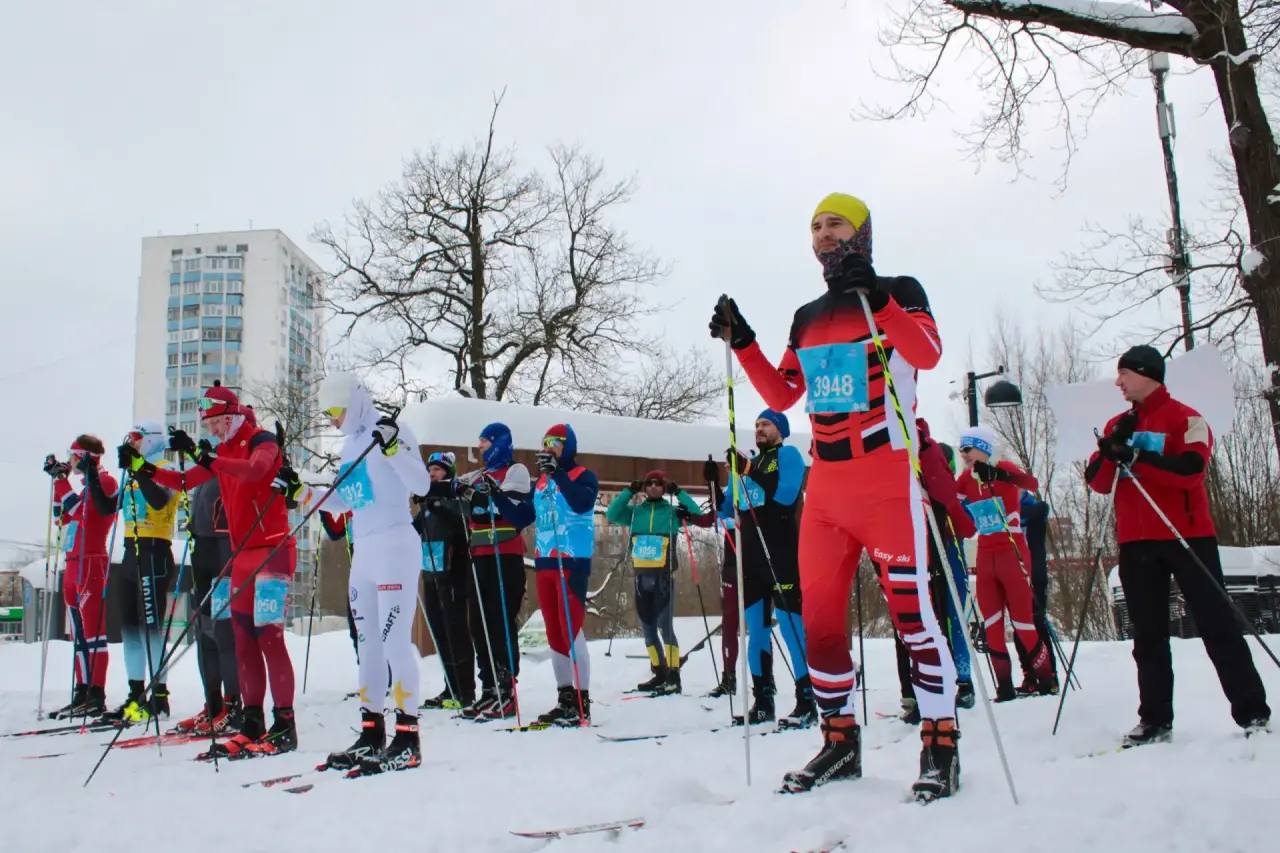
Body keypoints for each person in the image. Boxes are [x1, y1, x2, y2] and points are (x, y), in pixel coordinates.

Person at [711, 192, 959, 799]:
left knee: (911, 615)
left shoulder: (899, 287)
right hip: (827, 487)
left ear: (862, 231)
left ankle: (940, 743)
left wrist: (878, 297)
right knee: (820, 619)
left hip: (885, 474)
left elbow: (927, 352)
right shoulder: (807, 314)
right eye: (815, 226)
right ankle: (839, 741)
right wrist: (743, 341)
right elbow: (784, 391)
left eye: (835, 223)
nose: (824, 233)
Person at [1087, 344, 1270, 745]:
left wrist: (1137, 458)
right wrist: (1109, 450)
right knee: (1147, 634)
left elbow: (1191, 471)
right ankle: (1155, 718)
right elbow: (1099, 483)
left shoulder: (1186, 418)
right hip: (1136, 542)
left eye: (1125, 375)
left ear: (1147, 373)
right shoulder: (1118, 421)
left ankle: (1251, 710)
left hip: (1185, 535)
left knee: (1216, 625)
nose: (1118, 382)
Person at [283, 372, 430, 773]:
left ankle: (408, 737)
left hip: (395, 544)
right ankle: (371, 731)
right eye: (327, 412)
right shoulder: (350, 448)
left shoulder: (394, 430)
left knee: (395, 642)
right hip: (363, 550)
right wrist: (301, 493)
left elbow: (422, 483)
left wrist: (395, 447)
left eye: (336, 410)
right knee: (368, 645)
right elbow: (344, 499)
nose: (331, 419)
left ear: (356, 402)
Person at [150, 382, 298, 758]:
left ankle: (285, 724)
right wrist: (143, 468)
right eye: (208, 426)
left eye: (216, 424)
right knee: (243, 636)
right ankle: (251, 722)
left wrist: (207, 459)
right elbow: (183, 482)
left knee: (269, 636)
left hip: (273, 551)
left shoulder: (261, 440)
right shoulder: (223, 450)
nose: (212, 432)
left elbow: (255, 471)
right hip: (241, 554)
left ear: (231, 417)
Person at [689, 410, 813, 727]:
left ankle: (807, 699)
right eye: (756, 424)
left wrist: (748, 473)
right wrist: (716, 484)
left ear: (780, 430)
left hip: (781, 552)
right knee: (756, 630)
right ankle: (763, 701)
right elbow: (727, 510)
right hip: (750, 556)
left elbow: (784, 498)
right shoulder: (745, 465)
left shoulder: (788, 455)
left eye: (766, 424)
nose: (759, 428)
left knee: (789, 626)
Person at [955, 425, 1056, 701]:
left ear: (984, 450)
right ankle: (1004, 688)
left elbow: (1031, 484)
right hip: (986, 554)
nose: (964, 454)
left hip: (1012, 551)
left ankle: (1047, 681)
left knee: (1023, 624)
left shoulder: (1004, 467)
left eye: (969, 449)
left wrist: (998, 474)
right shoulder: (966, 478)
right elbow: (951, 502)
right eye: (961, 449)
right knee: (992, 624)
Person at [894, 420, 976, 722]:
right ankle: (914, 694)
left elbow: (964, 522)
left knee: (950, 618)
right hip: (910, 554)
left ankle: (960, 681)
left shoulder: (937, 466)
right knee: (910, 623)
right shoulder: (898, 461)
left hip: (943, 553)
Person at [452, 422, 532, 720]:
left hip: (505, 554)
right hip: (480, 554)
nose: (481, 447)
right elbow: (460, 489)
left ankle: (506, 686)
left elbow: (506, 507)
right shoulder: (479, 475)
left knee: (500, 620)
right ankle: (489, 687)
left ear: (499, 442)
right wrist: (462, 491)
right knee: (478, 623)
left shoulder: (516, 470)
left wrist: (483, 495)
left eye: (485, 442)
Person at [606, 469, 701, 695]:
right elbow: (611, 513)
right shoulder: (635, 512)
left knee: (665, 628)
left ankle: (673, 676)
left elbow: (696, 513)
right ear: (644, 487)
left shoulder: (671, 513)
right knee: (648, 630)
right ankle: (659, 673)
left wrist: (679, 493)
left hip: (663, 578)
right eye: (649, 483)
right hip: (640, 577)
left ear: (664, 487)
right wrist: (629, 491)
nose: (654, 487)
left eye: (659, 483)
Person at [110, 422, 181, 723]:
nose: (134, 444)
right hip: (130, 549)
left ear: (152, 441)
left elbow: (158, 499)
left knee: (152, 626)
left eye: (138, 439)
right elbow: (106, 507)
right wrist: (91, 471)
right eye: (132, 439)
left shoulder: (166, 468)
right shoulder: (133, 470)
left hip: (155, 550)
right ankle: (135, 693)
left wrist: (138, 467)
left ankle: (160, 695)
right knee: (129, 626)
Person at [44, 436, 118, 719]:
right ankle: (82, 690)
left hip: (91, 563)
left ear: (88, 456)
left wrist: (62, 482)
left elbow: (81, 512)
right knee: (78, 635)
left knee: (93, 633)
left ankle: (96, 693)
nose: (71, 461)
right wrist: (57, 481)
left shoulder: (105, 481)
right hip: (73, 563)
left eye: (74, 456)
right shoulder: (84, 486)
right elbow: (61, 517)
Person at [531, 424, 598, 727]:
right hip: (545, 562)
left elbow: (581, 502)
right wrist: (496, 500)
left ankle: (583, 702)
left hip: (571, 560)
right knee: (554, 632)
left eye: (555, 442)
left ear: (568, 445)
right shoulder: (541, 482)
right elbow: (524, 516)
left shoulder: (582, 475)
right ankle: (565, 698)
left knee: (571, 629)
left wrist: (557, 472)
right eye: (545, 442)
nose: (549, 447)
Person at [172, 478, 242, 735]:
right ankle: (212, 704)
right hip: (201, 542)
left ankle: (233, 706)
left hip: (224, 543)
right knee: (203, 628)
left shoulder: (237, 449)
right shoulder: (208, 456)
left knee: (223, 631)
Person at [415, 451, 477, 710]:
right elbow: (412, 529)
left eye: (438, 471)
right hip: (431, 575)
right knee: (439, 632)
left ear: (448, 474)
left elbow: (463, 519)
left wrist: (438, 501)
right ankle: (450, 686)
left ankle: (465, 690)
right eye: (429, 472)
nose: (432, 475)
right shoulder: (428, 507)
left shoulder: (454, 499)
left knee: (456, 631)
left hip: (453, 574)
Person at [1015, 490, 1057, 695]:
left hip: (1034, 573)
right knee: (1019, 628)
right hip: (1015, 572)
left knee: (1037, 623)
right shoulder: (1006, 510)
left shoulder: (1035, 508)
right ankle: (1029, 675)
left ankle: (1050, 675)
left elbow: (1039, 510)